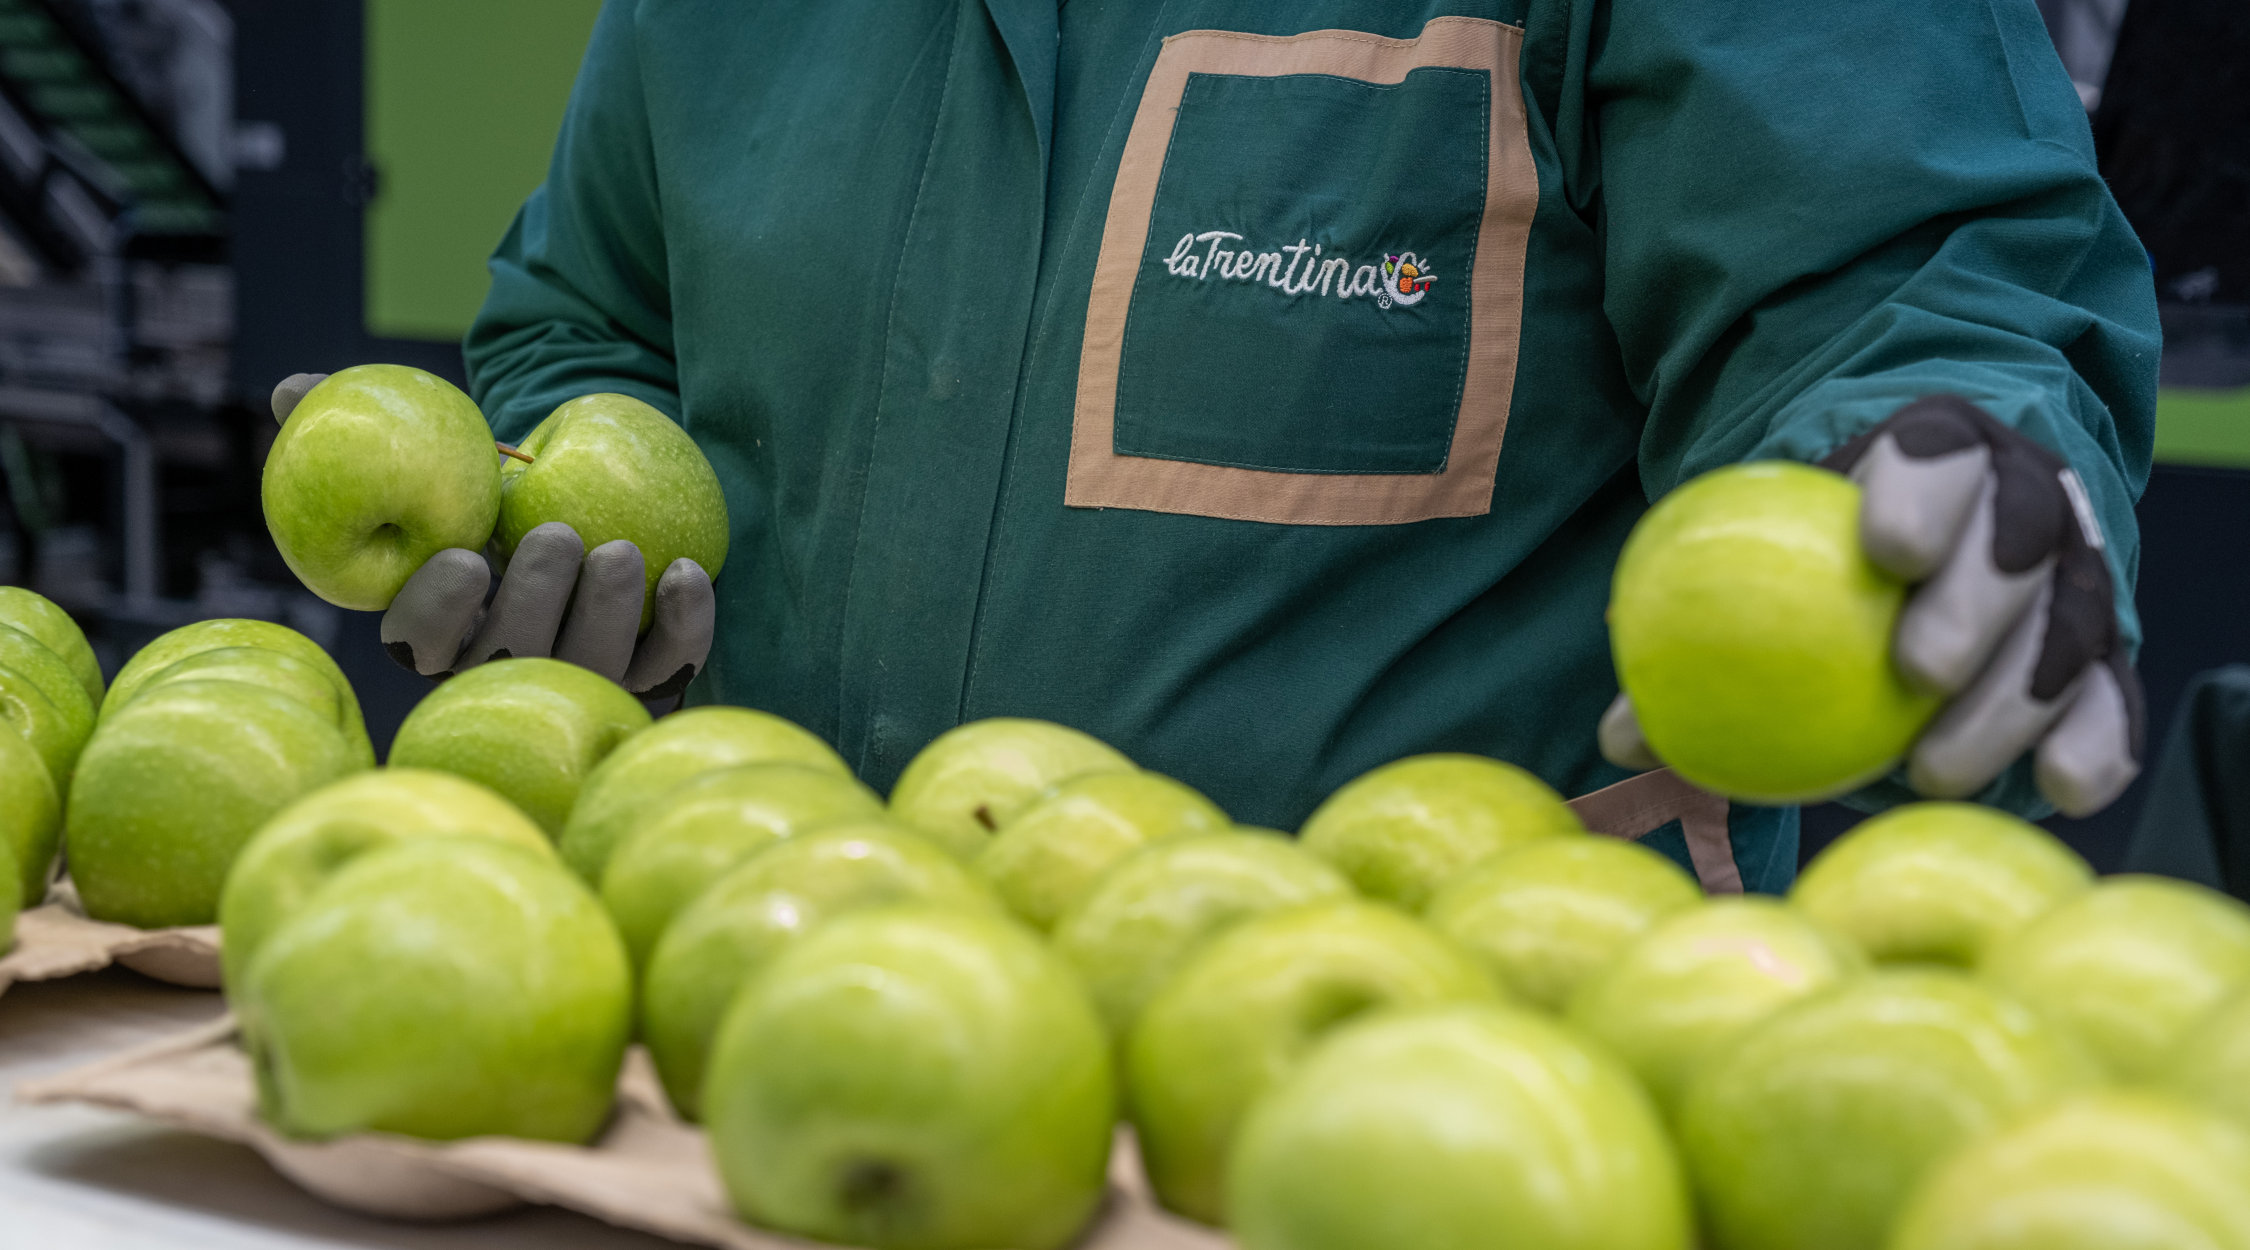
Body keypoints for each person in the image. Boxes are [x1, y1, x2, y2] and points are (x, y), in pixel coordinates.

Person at [274, 0, 2158, 894]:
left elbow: (1906, 289)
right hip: (763, 1053)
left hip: (1433, 1108)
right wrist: (571, 525)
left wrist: (1955, 464)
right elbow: (588, 321)